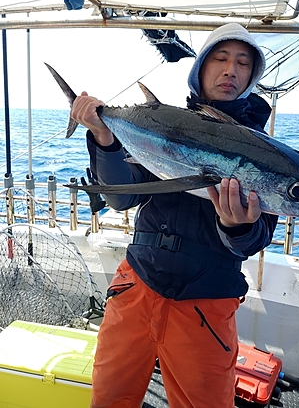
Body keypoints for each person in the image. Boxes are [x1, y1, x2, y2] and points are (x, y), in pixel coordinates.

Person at [71, 23, 278, 408]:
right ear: (199, 67)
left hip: (205, 302)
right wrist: (103, 136)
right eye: (219, 58)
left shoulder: (264, 152)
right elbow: (119, 198)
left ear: (252, 76)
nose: (230, 70)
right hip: (137, 285)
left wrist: (237, 225)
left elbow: (257, 237)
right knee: (110, 398)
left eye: (243, 63)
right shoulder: (162, 124)